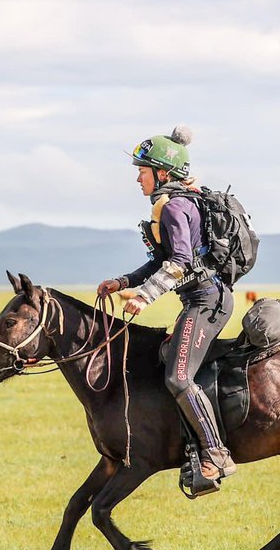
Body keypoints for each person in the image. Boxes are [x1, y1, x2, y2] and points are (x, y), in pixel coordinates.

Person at [96, 126, 236, 484]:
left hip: (207, 301)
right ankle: (188, 446)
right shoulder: (171, 205)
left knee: (178, 375)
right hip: (198, 298)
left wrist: (145, 296)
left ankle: (217, 456)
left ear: (163, 172)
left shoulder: (175, 207)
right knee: (164, 359)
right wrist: (124, 282)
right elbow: (160, 263)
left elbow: (179, 263)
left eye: (142, 171)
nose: (138, 178)